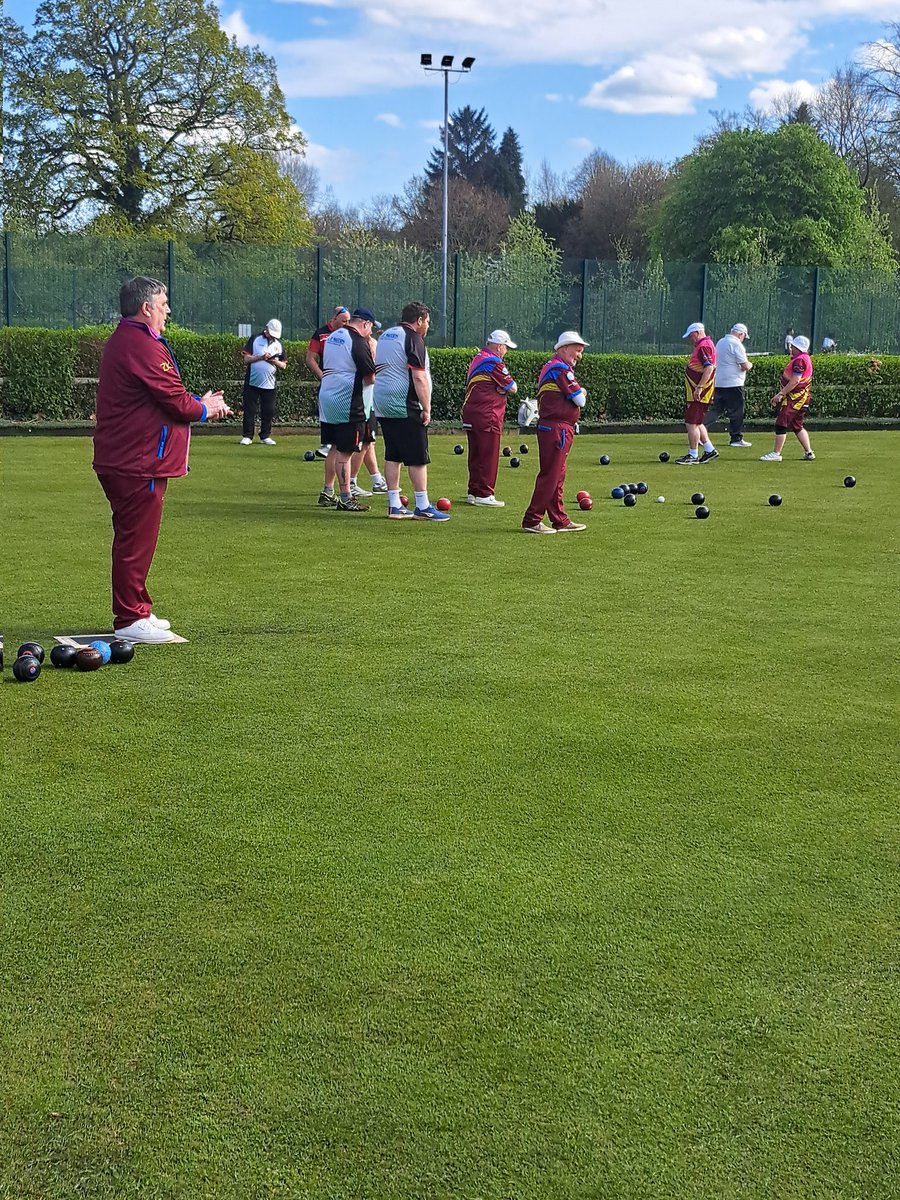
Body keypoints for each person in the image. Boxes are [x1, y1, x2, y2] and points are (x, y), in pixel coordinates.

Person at [93, 277, 231, 643]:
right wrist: (205, 407)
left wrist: (198, 403)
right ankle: (130, 617)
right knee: (135, 540)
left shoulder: (131, 340)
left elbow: (164, 396)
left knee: (136, 538)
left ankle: (137, 609)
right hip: (137, 461)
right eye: (163, 303)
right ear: (146, 308)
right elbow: (177, 402)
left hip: (132, 458)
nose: (168, 310)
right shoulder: (140, 344)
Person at [374, 302, 449, 521]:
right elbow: (418, 376)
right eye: (427, 321)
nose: (428, 326)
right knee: (417, 457)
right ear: (419, 320)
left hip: (382, 402)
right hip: (404, 403)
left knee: (393, 454)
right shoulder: (413, 337)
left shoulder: (386, 335)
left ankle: (394, 505)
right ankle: (423, 506)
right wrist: (426, 407)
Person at [521, 331, 589, 533]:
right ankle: (532, 519)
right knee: (551, 475)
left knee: (557, 475)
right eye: (577, 350)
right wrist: (582, 391)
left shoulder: (553, 366)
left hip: (554, 427)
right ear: (565, 348)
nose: (579, 355)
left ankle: (560, 520)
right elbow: (580, 400)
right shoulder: (561, 369)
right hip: (557, 428)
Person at [318, 308, 381, 512]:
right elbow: (370, 377)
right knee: (345, 452)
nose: (370, 332)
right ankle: (346, 497)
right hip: (348, 400)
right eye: (371, 327)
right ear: (365, 323)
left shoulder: (334, 336)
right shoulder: (358, 341)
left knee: (335, 446)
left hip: (327, 396)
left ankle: (328, 491)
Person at [461, 330, 519, 507]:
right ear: (499, 346)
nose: (506, 351)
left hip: (471, 412)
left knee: (476, 454)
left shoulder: (478, 357)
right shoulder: (494, 362)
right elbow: (513, 387)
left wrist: (499, 387)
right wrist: (501, 388)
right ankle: (485, 494)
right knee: (488, 454)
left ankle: (474, 491)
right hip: (488, 414)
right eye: (506, 348)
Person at [759, 335, 816, 461]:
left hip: (796, 398)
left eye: (793, 346)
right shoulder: (804, 358)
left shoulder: (799, 360)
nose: (791, 348)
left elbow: (795, 380)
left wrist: (781, 394)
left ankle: (776, 453)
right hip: (800, 397)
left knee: (781, 422)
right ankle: (809, 452)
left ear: (798, 348)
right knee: (797, 425)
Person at [306, 305, 350, 458]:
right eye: (344, 321)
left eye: (349, 321)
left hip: (345, 382)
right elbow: (310, 358)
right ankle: (327, 444)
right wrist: (322, 376)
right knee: (326, 412)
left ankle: (341, 443)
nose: (347, 324)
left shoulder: (350, 334)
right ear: (334, 319)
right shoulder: (321, 334)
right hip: (328, 382)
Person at [675, 321, 718, 466]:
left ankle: (693, 455)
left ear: (698, 333)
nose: (690, 339)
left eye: (691, 336)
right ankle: (709, 450)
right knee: (697, 422)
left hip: (700, 393)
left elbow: (709, 368)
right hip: (699, 392)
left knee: (691, 423)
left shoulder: (704, 346)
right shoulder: (704, 345)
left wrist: (699, 387)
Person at [239, 318, 285, 445]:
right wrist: (260, 357)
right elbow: (246, 359)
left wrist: (273, 361)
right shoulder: (255, 339)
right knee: (249, 409)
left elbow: (283, 365)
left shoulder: (279, 344)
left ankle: (265, 436)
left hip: (270, 384)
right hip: (252, 381)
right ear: (267, 329)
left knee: (268, 410)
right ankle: (247, 436)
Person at [709, 322, 753, 448]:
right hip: (734, 383)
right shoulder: (737, 344)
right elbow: (745, 365)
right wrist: (750, 365)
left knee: (715, 410)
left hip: (719, 382)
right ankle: (736, 438)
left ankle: (700, 431)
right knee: (737, 412)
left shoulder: (721, 342)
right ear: (741, 334)